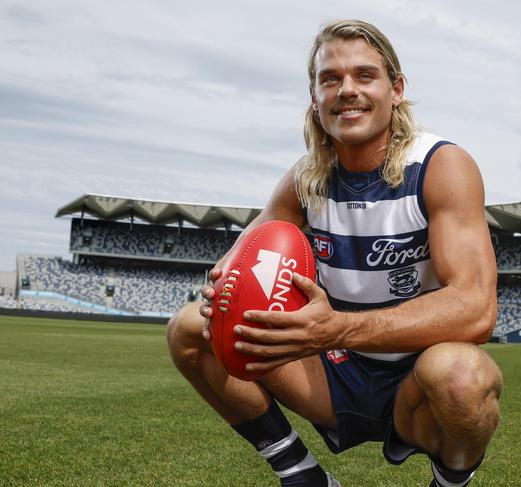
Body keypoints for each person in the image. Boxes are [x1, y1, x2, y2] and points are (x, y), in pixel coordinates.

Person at [167, 19, 503, 487]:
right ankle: (303, 476)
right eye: (331, 78)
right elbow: (244, 252)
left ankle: (448, 483)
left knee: (463, 375)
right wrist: (223, 285)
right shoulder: (306, 178)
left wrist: (336, 328)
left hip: (416, 384)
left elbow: (476, 309)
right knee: (191, 327)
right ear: (314, 95)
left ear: (396, 88)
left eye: (364, 75)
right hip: (334, 373)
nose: (347, 89)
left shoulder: (440, 166)